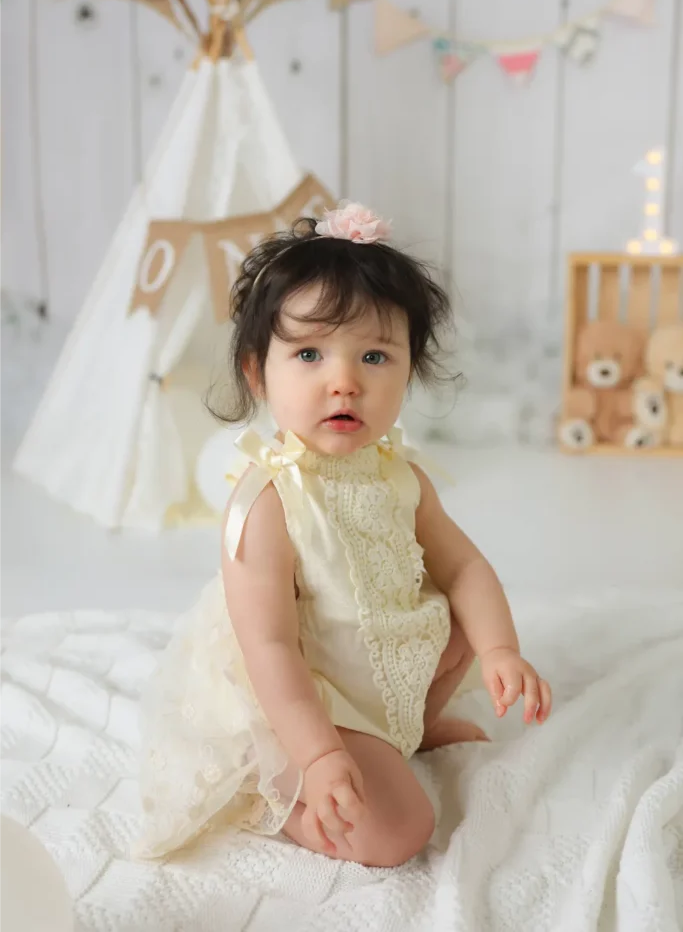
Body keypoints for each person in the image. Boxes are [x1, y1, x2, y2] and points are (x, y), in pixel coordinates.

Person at [134, 202, 552, 868]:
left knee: (464, 614)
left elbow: (467, 567)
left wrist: (500, 650)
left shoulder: (400, 477)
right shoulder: (266, 500)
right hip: (301, 696)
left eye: (374, 355)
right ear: (255, 372)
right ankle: (273, 801)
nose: (344, 382)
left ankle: (401, 729)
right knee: (398, 832)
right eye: (308, 353)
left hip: (378, 666)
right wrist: (321, 754)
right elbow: (268, 645)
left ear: (408, 369)